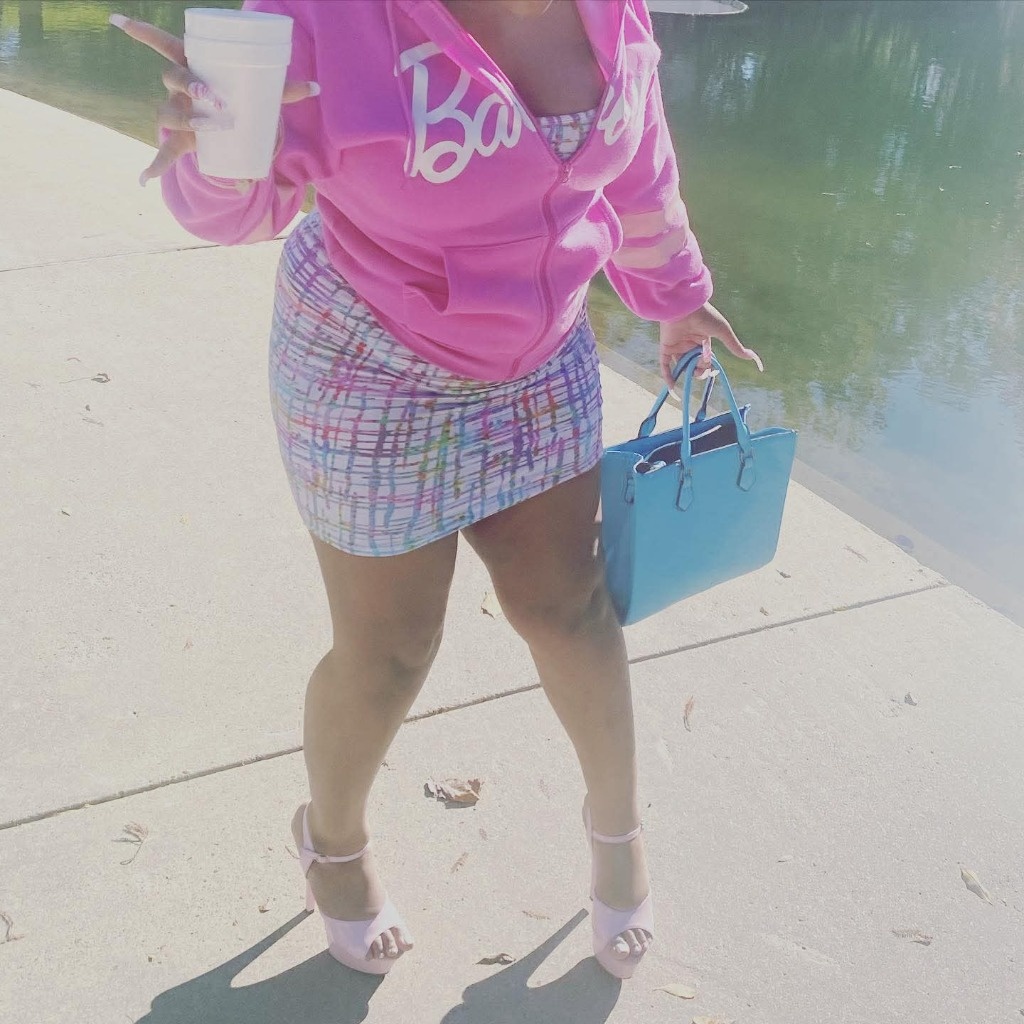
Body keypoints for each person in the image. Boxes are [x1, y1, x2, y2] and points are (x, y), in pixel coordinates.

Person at [111, 0, 762, 981]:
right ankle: (332, 842)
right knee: (390, 651)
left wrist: (674, 294)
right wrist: (214, 145)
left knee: (570, 610)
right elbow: (237, 211)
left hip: (540, 356)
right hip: (368, 359)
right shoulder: (320, 17)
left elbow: (640, 157)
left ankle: (618, 831)